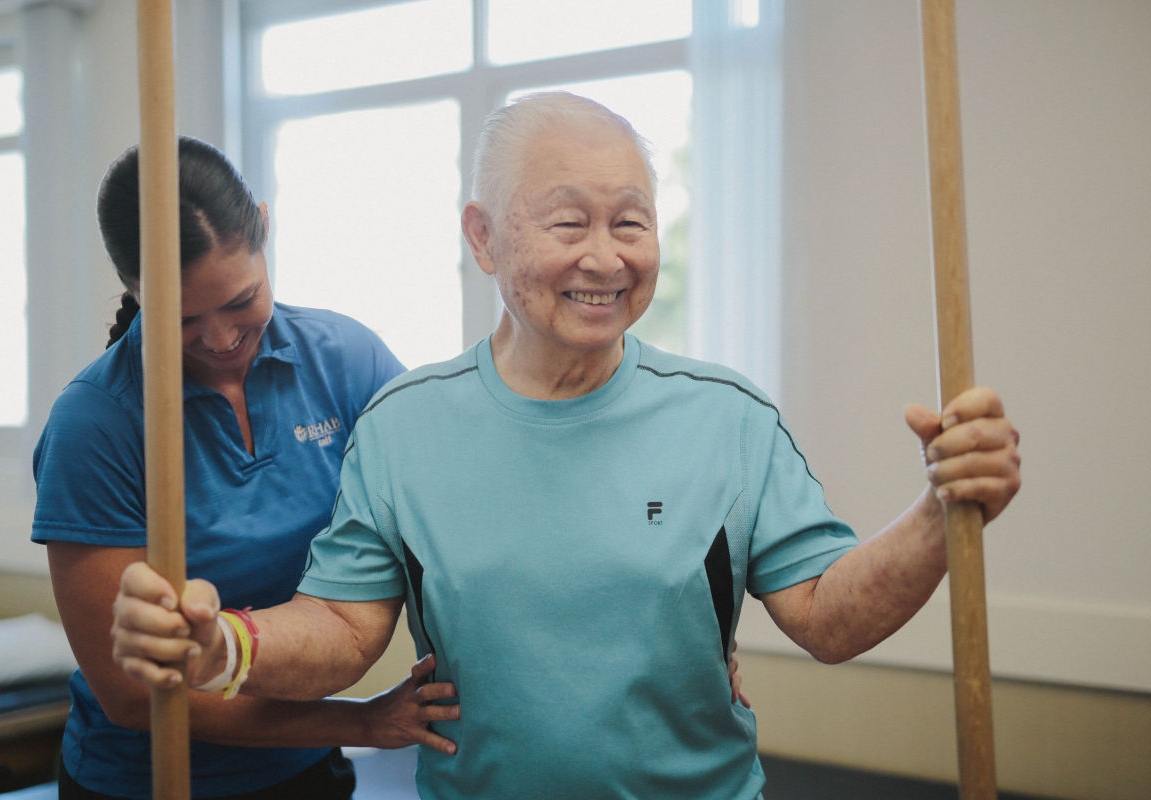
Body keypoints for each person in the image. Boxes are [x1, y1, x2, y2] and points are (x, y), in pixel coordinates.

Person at [113, 95, 1022, 799]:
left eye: (630, 222)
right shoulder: (402, 426)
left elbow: (829, 616)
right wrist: (224, 646)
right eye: (567, 222)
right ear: (482, 236)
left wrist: (941, 510)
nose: (606, 257)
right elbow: (346, 628)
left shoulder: (728, 417)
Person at [33, 137, 461, 800]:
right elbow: (129, 696)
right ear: (132, 290)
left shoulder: (343, 360)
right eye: (182, 318)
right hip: (146, 780)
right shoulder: (96, 425)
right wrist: (362, 722)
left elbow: (445, 497)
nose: (221, 338)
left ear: (263, 227)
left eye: (241, 301)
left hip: (307, 770)